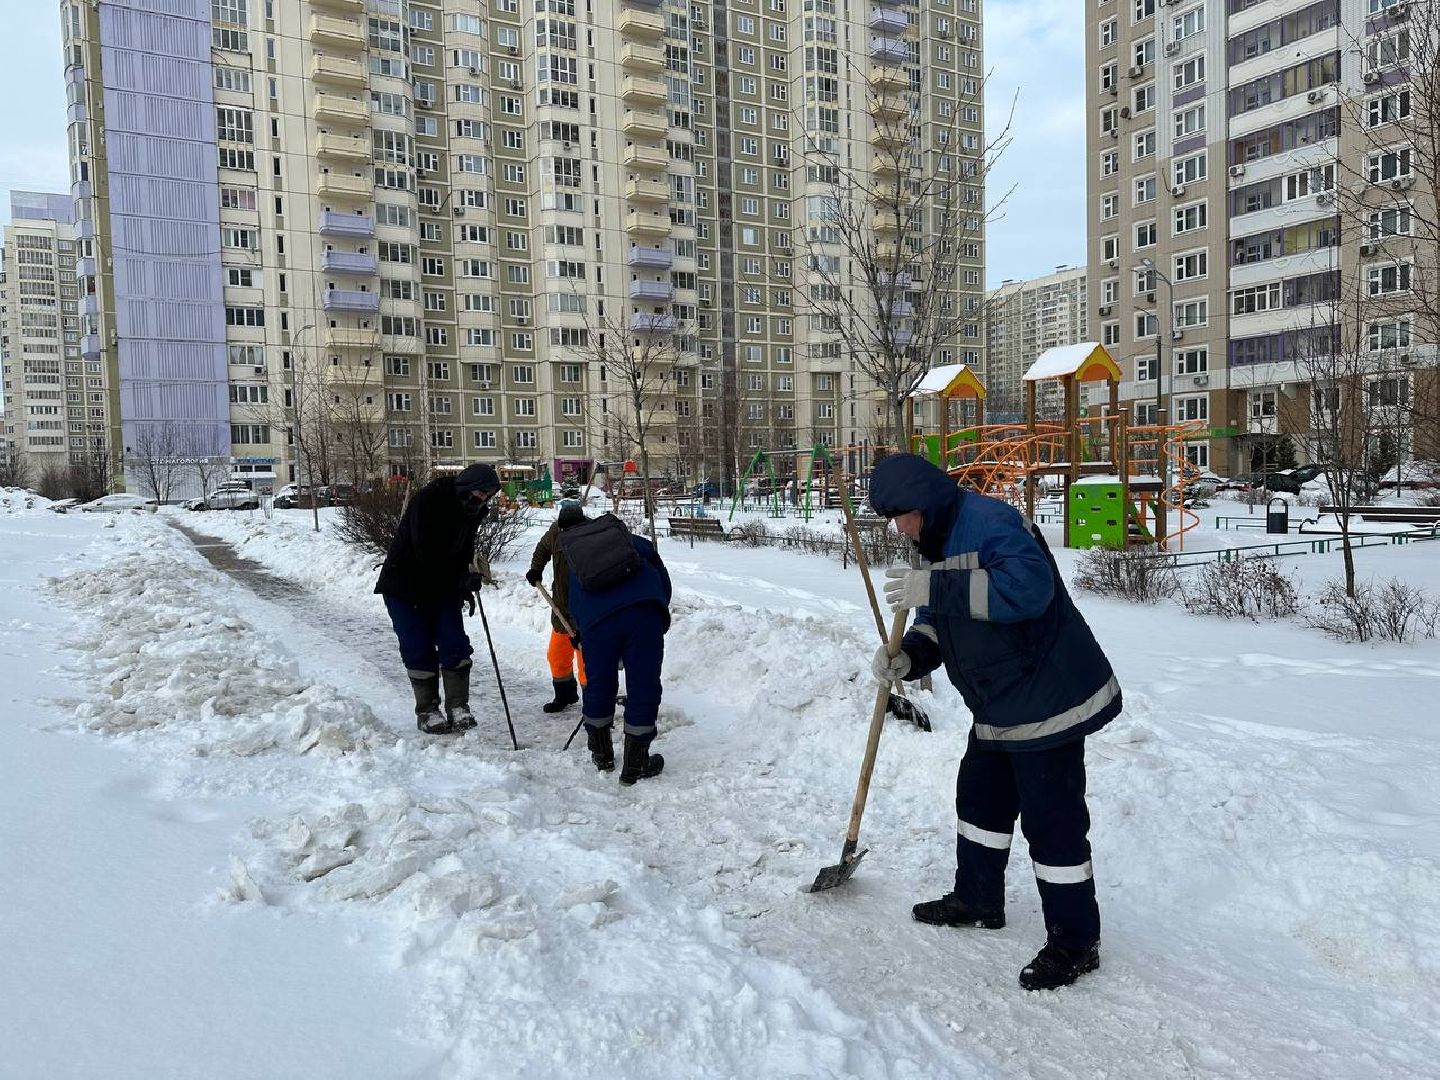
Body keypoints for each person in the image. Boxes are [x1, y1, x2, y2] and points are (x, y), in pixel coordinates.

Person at [866, 453, 1123, 992]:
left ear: (923, 505)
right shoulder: (933, 540)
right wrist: (910, 655)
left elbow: (1029, 591)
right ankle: (978, 899)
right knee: (980, 800)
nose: (898, 528)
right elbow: (939, 620)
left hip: (1045, 697)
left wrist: (934, 590)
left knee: (1053, 824)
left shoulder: (989, 522)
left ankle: (1076, 942)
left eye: (899, 516)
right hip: (998, 701)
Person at [375, 463, 501, 735]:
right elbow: (425, 552)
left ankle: (458, 707)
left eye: (488, 496)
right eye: (481, 493)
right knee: (418, 646)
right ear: (467, 487)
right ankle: (428, 710)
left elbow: (463, 549)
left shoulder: (473, 510)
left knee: (454, 642)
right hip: (405, 585)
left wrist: (466, 580)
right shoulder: (429, 500)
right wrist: (457, 579)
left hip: (442, 586)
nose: (484, 500)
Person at [562, 515, 673, 785]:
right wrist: (656, 615)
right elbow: (663, 583)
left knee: (599, 684)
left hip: (597, 624)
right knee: (643, 686)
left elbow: (572, 602)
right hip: (644, 613)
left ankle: (602, 755)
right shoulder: (637, 544)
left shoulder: (578, 558)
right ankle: (636, 763)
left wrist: (582, 633)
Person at [525, 493, 587, 713]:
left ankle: (593, 700)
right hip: (560, 609)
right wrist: (536, 570)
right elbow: (542, 549)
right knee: (557, 655)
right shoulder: (556, 531)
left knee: (585, 660)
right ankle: (565, 694)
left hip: (585, 613)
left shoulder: (591, 536)